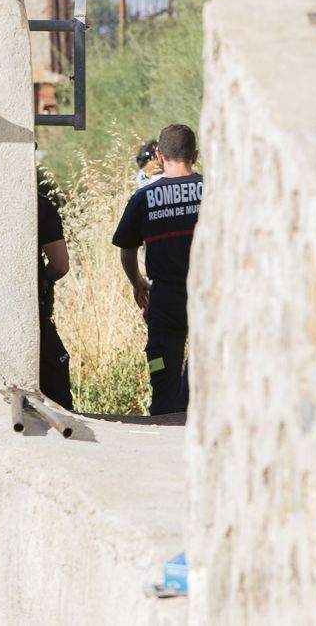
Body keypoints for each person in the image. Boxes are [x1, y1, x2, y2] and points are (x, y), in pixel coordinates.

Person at [112, 124, 204, 415]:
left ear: (160, 157)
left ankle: (166, 415)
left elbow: (127, 250)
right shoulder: (216, 191)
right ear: (196, 155)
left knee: (161, 365)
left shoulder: (144, 199)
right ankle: (193, 411)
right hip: (210, 297)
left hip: (165, 299)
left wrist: (137, 283)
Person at [37, 191, 73, 410]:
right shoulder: (38, 204)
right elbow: (60, 264)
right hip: (34, 312)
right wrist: (42, 279)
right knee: (55, 367)